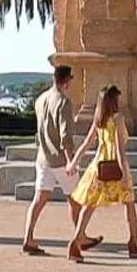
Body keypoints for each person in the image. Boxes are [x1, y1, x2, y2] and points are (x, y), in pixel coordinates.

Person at [21, 66, 102, 256]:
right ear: (67, 81)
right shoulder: (63, 102)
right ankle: (79, 235)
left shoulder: (41, 100)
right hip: (59, 158)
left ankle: (28, 237)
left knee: (39, 198)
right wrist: (70, 161)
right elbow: (66, 135)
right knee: (75, 199)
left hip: (43, 157)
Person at [67, 84, 137, 262]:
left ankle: (76, 239)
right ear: (113, 101)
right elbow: (119, 148)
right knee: (129, 204)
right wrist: (123, 171)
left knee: (90, 204)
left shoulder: (99, 119)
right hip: (115, 166)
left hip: (99, 165)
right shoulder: (117, 118)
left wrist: (74, 162)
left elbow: (87, 143)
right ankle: (134, 242)